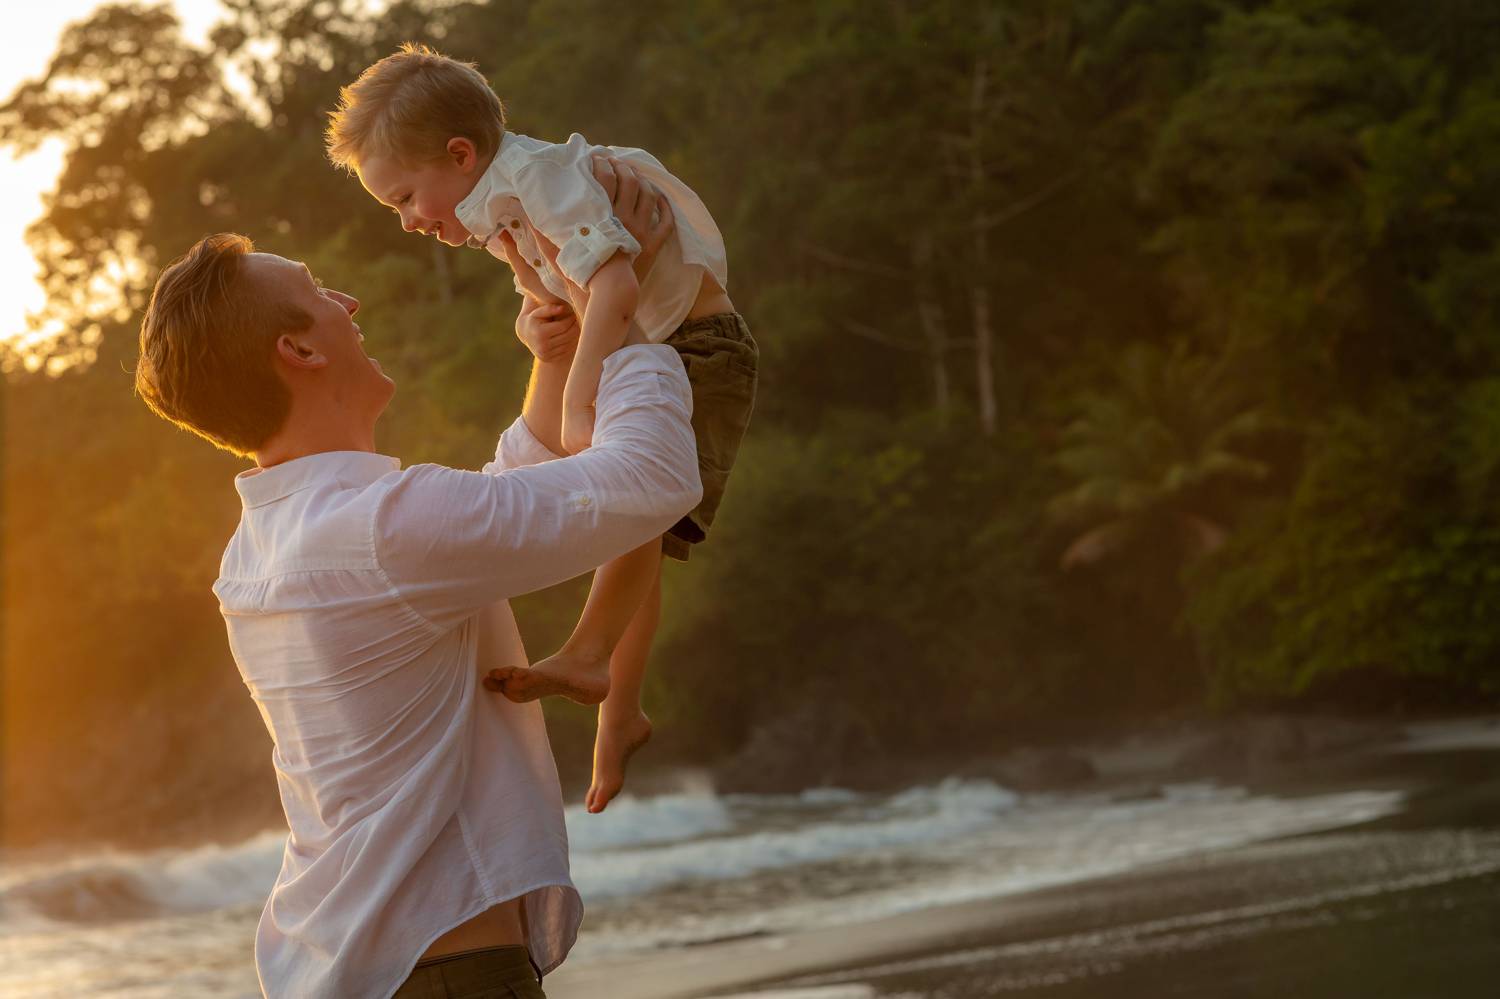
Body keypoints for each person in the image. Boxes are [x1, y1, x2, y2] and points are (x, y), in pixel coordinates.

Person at [131, 171, 699, 997]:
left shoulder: (270, 543)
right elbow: (649, 477)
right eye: (319, 291)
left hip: (363, 966)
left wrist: (566, 356)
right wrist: (637, 318)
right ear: (300, 350)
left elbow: (495, 507)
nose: (349, 300)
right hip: (443, 976)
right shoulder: (376, 528)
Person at [324, 43, 758, 813]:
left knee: (644, 517)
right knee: (641, 530)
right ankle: (619, 708)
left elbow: (615, 284)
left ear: (461, 156)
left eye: (404, 198)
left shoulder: (538, 180)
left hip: (699, 347)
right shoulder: (498, 214)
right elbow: (557, 305)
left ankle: (597, 665)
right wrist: (538, 333)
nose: (407, 223)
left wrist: (580, 396)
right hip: (649, 343)